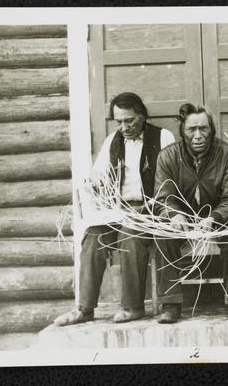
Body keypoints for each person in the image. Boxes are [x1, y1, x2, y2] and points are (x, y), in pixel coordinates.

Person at [54, 92, 175, 326]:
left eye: (129, 121)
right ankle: (84, 308)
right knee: (92, 238)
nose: (124, 127)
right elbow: (97, 174)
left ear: (142, 116)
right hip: (118, 210)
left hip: (151, 210)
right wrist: (94, 184)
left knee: (129, 235)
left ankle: (133, 307)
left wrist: (150, 206)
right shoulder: (113, 141)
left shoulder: (163, 137)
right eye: (118, 121)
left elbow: (171, 181)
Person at [153, 103, 228, 324]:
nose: (198, 135)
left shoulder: (227, 154)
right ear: (182, 131)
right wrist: (174, 214)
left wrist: (214, 217)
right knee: (162, 233)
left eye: (204, 129)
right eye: (191, 129)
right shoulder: (167, 156)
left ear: (212, 129)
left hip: (217, 216)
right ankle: (171, 303)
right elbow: (163, 196)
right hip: (181, 219)